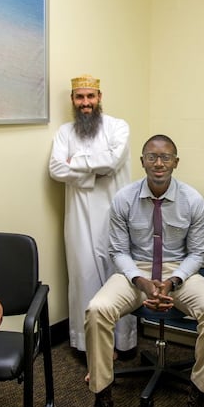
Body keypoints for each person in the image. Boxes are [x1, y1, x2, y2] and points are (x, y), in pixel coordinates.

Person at [85, 135, 204, 407]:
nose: (159, 163)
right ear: (142, 162)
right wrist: (141, 280)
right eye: (152, 157)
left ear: (176, 162)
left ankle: (198, 396)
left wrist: (173, 280)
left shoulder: (191, 200)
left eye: (166, 157)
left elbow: (197, 253)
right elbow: (118, 250)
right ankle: (102, 399)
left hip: (178, 272)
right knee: (97, 310)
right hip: (134, 273)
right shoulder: (124, 199)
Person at [49, 74, 137, 355]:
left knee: (118, 277)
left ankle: (122, 342)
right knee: (83, 277)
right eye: (79, 97)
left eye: (90, 97)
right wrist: (92, 173)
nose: (85, 103)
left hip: (115, 214)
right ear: (73, 101)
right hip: (79, 217)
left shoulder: (118, 127)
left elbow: (112, 162)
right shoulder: (64, 132)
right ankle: (88, 345)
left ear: (99, 98)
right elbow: (55, 170)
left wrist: (75, 164)